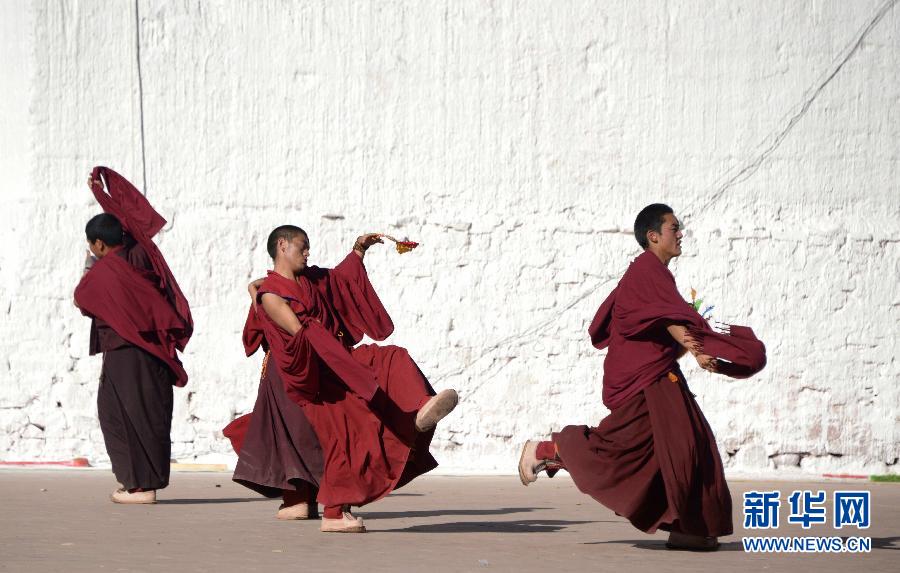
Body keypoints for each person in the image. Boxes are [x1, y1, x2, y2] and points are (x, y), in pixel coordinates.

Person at [518, 203, 766, 550]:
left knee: (688, 447)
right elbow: (669, 321)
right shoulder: (645, 272)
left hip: (659, 376)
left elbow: (661, 324)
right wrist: (696, 348)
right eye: (673, 228)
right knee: (625, 451)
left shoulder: (657, 275)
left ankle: (688, 528)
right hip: (644, 380)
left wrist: (690, 347)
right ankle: (550, 448)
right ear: (653, 236)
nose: (680, 234)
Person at [243, 224, 458, 532]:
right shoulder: (272, 295)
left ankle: (415, 410)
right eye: (302, 246)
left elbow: (338, 281)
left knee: (391, 359)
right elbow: (303, 334)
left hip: (335, 361)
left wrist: (359, 249)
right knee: (346, 432)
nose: (307, 252)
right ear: (282, 246)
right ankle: (329, 510)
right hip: (314, 373)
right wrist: (352, 371)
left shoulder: (306, 280)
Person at [74, 167, 193, 504]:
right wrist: (102, 194)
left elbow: (82, 298)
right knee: (146, 411)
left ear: (98, 243)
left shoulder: (107, 270)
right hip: (153, 351)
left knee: (122, 413)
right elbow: (131, 219)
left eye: (92, 246)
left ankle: (139, 486)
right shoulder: (140, 253)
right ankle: (141, 482)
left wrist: (90, 264)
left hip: (126, 353)